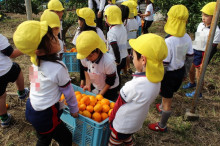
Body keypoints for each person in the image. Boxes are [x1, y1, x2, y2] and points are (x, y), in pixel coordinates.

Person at [13, 20, 79, 145]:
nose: (56, 38)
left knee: (46, 137)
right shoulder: (59, 67)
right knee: (57, 138)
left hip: (32, 107)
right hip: (45, 114)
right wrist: (74, 110)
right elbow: (68, 92)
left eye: (54, 36)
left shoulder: (34, 61)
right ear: (40, 51)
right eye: (52, 39)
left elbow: (34, 83)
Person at [108, 33, 168, 145]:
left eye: (134, 56)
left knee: (114, 141)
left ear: (143, 60)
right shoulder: (156, 82)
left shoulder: (134, 86)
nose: (132, 58)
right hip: (136, 122)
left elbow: (118, 104)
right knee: (127, 137)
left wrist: (111, 118)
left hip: (122, 123)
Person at [148, 5, 194, 132]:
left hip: (169, 75)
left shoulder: (169, 41)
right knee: (169, 94)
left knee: (168, 99)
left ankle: (162, 125)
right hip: (179, 72)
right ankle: (162, 105)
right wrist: (185, 72)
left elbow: (165, 65)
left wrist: (158, 77)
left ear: (170, 19)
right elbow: (190, 58)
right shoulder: (187, 37)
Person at [183, 2, 220, 97]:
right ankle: (192, 83)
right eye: (203, 15)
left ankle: (198, 92)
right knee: (191, 69)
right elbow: (197, 38)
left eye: (206, 15)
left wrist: (205, 60)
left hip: (203, 53)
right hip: (195, 49)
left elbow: (213, 48)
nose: (203, 17)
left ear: (214, 17)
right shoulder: (200, 25)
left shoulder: (216, 30)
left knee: (199, 73)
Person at [76, 31, 119, 101]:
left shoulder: (108, 62)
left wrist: (100, 95)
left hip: (110, 88)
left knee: (106, 106)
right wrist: (88, 84)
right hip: (97, 84)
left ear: (98, 50)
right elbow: (86, 70)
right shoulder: (84, 58)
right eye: (85, 56)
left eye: (90, 55)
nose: (88, 58)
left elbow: (110, 81)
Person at [72, 7, 106, 88]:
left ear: (83, 21)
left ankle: (84, 82)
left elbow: (76, 45)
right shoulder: (98, 31)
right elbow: (103, 44)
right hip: (97, 60)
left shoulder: (79, 32)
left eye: (79, 19)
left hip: (85, 61)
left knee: (85, 69)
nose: (78, 21)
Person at [0, 34, 29, 128]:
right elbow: (11, 54)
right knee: (17, 69)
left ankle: (4, 120)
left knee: (0, 97)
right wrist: (26, 49)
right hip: (6, 69)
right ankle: (22, 92)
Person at [105, 5, 128, 88]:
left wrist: (117, 61)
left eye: (106, 17)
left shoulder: (111, 32)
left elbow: (115, 47)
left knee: (115, 76)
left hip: (116, 58)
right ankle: (119, 88)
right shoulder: (122, 27)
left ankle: (116, 90)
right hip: (124, 56)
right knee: (118, 75)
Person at [122, 1, 138, 75]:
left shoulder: (126, 22)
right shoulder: (135, 20)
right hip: (132, 41)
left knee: (126, 55)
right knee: (129, 54)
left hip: (126, 41)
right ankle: (129, 67)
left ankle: (127, 68)